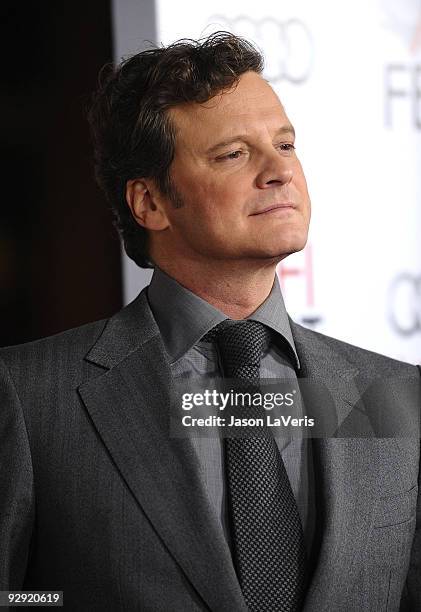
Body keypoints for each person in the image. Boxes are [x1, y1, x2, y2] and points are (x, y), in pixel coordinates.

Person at [0, 32, 420, 612]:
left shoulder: (398, 397)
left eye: (286, 145)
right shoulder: (28, 395)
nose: (280, 172)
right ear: (150, 203)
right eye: (233, 154)